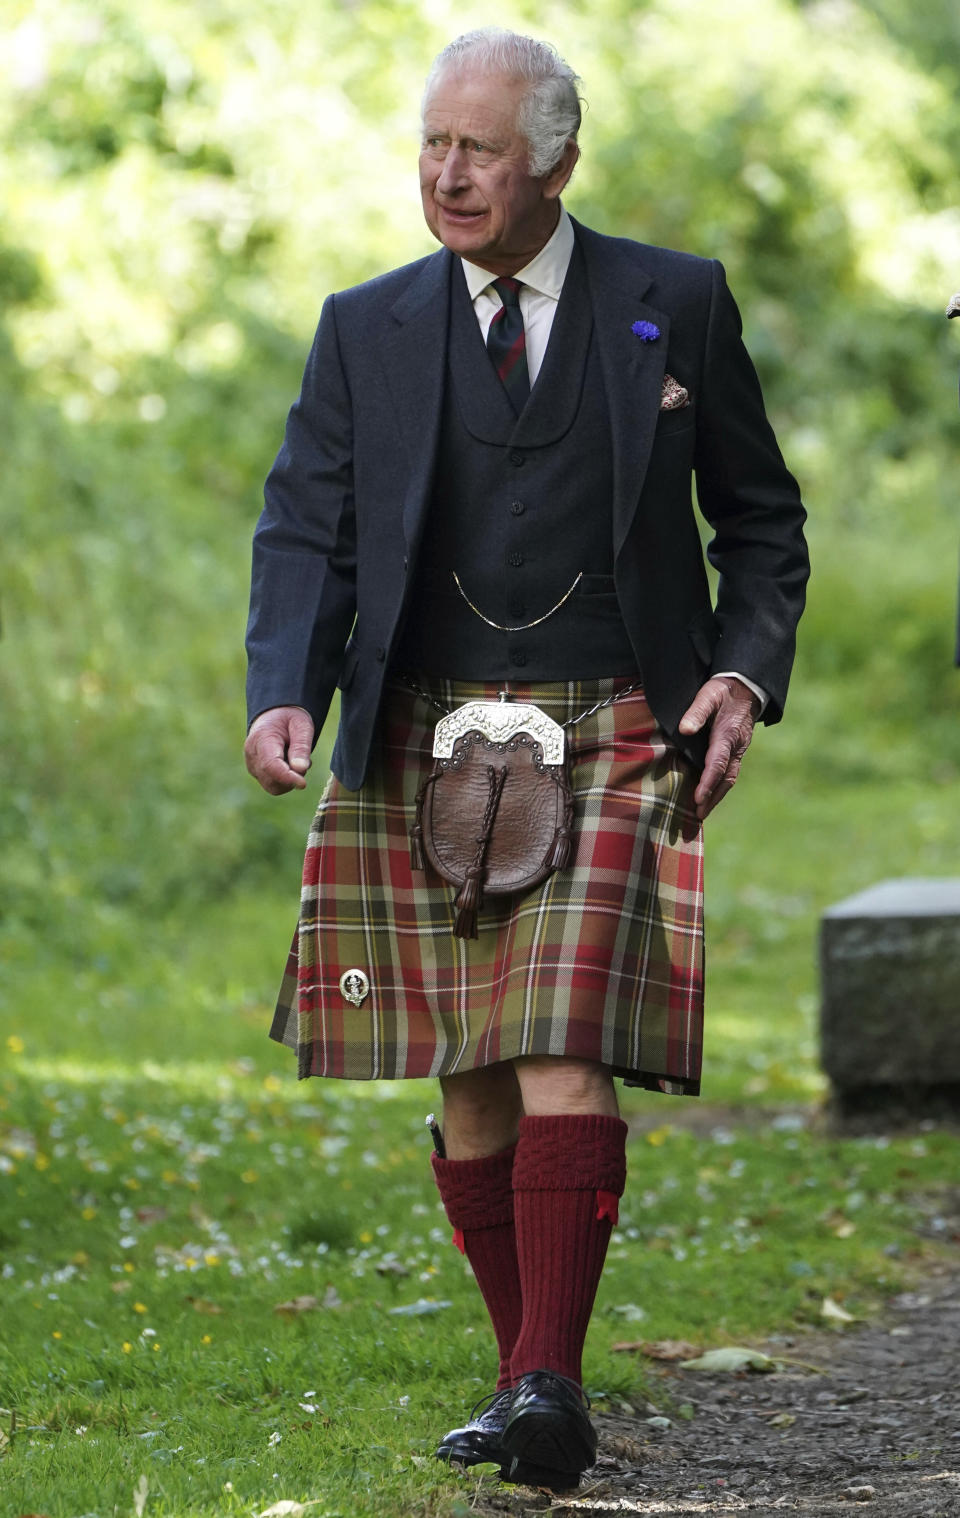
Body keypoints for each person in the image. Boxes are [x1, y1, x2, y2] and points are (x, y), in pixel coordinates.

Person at [244, 28, 809, 1492]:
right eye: (433, 143)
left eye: (479, 149)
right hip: (419, 724)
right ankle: (526, 1378)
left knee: (559, 1034)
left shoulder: (670, 304)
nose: (447, 172)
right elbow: (307, 523)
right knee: (468, 1064)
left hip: (618, 711)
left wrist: (742, 668)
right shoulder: (365, 325)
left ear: (555, 158)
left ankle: (548, 1383)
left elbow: (759, 519)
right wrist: (283, 690)